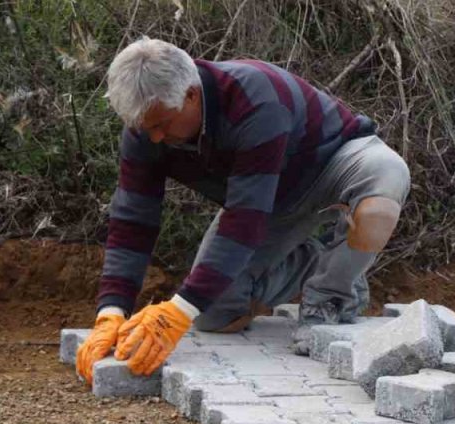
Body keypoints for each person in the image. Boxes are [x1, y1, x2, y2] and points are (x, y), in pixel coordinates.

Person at [75, 37, 409, 384]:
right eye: (146, 128)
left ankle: (332, 295)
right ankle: (319, 261)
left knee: (383, 191)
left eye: (162, 124)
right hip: (270, 198)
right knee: (214, 315)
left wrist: (178, 309)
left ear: (191, 95)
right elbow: (133, 221)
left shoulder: (254, 99)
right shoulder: (146, 129)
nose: (156, 137)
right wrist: (111, 309)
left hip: (335, 164)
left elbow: (244, 221)